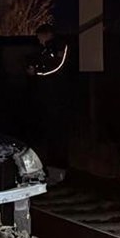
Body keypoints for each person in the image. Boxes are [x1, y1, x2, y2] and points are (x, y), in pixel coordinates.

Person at [25, 23, 71, 175]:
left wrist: (38, 72)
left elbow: (57, 67)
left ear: (46, 34)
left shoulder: (59, 47)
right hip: (46, 95)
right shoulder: (44, 50)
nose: (38, 40)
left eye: (39, 36)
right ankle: (51, 162)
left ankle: (60, 163)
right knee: (48, 128)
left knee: (58, 129)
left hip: (57, 95)